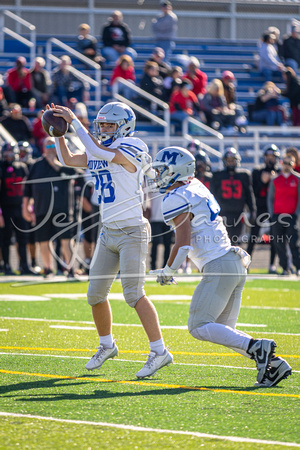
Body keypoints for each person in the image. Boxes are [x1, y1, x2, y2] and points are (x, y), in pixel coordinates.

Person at [150, 146, 291, 387]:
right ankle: (273, 364)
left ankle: (259, 346)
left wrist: (168, 271)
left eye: (162, 170)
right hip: (233, 262)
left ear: (176, 171)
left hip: (219, 265)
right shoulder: (196, 187)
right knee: (226, 332)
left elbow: (183, 243)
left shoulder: (175, 197)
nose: (157, 175)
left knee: (198, 326)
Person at [51, 100, 173, 378]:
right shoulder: (103, 150)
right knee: (95, 296)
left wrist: (73, 121)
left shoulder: (135, 146)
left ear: (125, 126)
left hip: (132, 231)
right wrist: (58, 134)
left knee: (133, 294)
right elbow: (68, 159)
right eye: (102, 124)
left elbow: (95, 149)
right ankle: (107, 345)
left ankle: (159, 351)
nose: (104, 128)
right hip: (108, 232)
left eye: (109, 125)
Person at [22, 137, 76, 278]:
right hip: (42, 209)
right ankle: (48, 268)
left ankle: (70, 268)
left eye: (53, 144)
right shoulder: (36, 165)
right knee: (43, 241)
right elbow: (27, 189)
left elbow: (71, 175)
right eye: (48, 145)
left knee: (66, 240)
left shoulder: (65, 162)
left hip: (62, 209)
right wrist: (26, 207)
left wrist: (54, 162)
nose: (51, 147)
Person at [0, 142, 34, 275]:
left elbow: (27, 190)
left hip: (20, 207)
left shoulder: (22, 167)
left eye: (10, 152)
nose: (8, 154)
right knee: (6, 238)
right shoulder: (1, 167)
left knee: (23, 238)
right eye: (6, 152)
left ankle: (24, 265)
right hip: (6, 208)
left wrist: (28, 207)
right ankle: (6, 265)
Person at [246, 144, 280, 274]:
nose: (270, 159)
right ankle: (246, 263)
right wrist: (262, 181)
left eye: (272, 157)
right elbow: (252, 192)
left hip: (275, 209)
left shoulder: (280, 173)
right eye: (268, 157)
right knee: (252, 237)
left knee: (275, 237)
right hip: (259, 208)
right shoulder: (257, 171)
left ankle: (272, 265)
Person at [210, 147, 256, 244]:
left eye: (232, 161)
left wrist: (252, 210)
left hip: (238, 213)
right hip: (223, 213)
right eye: (228, 161)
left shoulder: (244, 175)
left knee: (234, 240)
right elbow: (212, 195)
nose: (230, 163)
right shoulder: (218, 175)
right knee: (222, 240)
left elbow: (249, 194)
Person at [267, 153, 300, 276]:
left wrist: (296, 214)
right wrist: (272, 214)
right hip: (277, 216)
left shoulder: (297, 179)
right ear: (281, 163)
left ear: (293, 165)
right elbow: (270, 198)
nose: (287, 166)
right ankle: (285, 267)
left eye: (289, 163)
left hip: (292, 216)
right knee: (278, 243)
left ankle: (298, 267)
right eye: (285, 163)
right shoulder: (275, 180)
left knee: (293, 243)